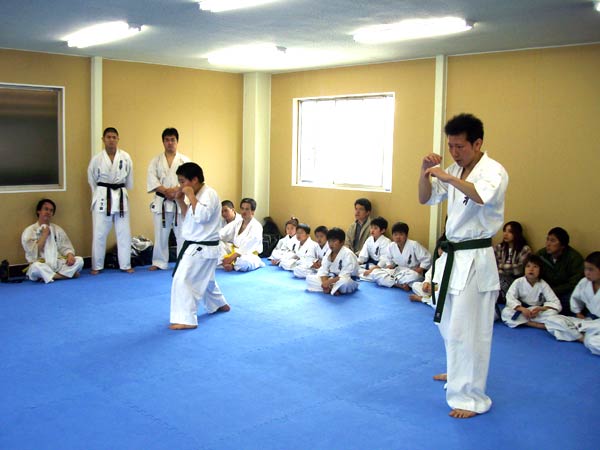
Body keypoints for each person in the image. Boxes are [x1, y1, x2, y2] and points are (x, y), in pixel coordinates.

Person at [418, 113, 509, 419]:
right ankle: (457, 372)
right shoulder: (456, 169)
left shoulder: (493, 171)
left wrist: (448, 177)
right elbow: (425, 199)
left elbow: (480, 195)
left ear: (477, 143)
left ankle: (471, 398)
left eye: (460, 146)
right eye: (450, 146)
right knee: (447, 323)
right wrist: (424, 173)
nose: (454, 152)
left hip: (475, 257)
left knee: (469, 330)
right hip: (453, 256)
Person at [169, 162, 230, 330]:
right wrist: (181, 200)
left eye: (183, 181)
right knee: (207, 279)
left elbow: (202, 217)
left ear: (194, 180)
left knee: (183, 280)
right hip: (201, 247)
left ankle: (187, 319)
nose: (181, 185)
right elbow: (189, 217)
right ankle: (219, 304)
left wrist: (190, 196)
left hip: (201, 248)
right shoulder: (198, 195)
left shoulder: (208, 194)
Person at [87, 127, 134, 274]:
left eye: (114, 137)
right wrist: (99, 192)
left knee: (124, 232)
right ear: (103, 139)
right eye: (108, 137)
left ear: (118, 139)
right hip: (103, 195)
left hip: (120, 196)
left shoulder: (125, 157)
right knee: (99, 233)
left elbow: (129, 180)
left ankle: (126, 265)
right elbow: (92, 180)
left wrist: (122, 189)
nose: (111, 140)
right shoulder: (97, 159)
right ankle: (97, 266)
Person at [147, 128, 191, 271]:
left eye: (173, 140)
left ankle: (183, 262)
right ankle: (159, 262)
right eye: (167, 140)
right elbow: (152, 180)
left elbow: (189, 181)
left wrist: (176, 191)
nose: (170, 142)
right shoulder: (156, 161)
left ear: (177, 141)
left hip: (180, 201)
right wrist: (166, 191)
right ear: (163, 142)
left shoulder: (185, 160)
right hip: (162, 201)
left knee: (182, 233)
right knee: (160, 234)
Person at [544, 252, 600, 355]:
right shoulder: (584, 282)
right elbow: (575, 299)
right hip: (588, 321)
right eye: (585, 269)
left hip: (596, 325)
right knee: (551, 320)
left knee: (593, 342)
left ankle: (582, 336)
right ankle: (582, 337)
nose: (587, 273)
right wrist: (578, 313)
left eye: (591, 269)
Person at [21, 199, 84, 283]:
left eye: (51, 210)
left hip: (58, 263)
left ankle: (50, 276)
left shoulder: (57, 229)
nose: (48, 212)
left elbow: (66, 247)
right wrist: (44, 235)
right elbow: (32, 252)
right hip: (41, 263)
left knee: (79, 260)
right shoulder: (29, 231)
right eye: (46, 209)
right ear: (38, 211)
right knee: (35, 268)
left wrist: (70, 255)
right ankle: (64, 275)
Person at [500, 255, 561, 329]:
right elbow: (510, 298)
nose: (531, 269)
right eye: (528, 266)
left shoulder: (543, 284)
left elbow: (555, 302)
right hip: (522, 310)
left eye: (535, 267)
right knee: (506, 312)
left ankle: (523, 321)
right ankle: (533, 324)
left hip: (536, 312)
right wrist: (522, 309)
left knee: (552, 313)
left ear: (540, 270)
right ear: (524, 269)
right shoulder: (518, 282)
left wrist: (541, 309)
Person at [537, 227, 584, 315]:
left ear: (562, 245)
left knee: (570, 299)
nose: (548, 244)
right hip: (546, 289)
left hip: (564, 291)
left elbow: (574, 283)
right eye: (547, 239)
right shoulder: (541, 254)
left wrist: (554, 291)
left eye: (552, 241)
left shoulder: (574, 258)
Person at [370, 222, 431, 290]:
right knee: (374, 273)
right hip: (398, 271)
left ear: (406, 235)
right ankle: (400, 285)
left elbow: (427, 258)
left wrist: (420, 269)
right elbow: (388, 260)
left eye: (401, 234)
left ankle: (396, 283)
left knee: (414, 277)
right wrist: (389, 265)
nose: (398, 237)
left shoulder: (414, 245)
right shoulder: (391, 246)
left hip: (412, 272)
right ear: (392, 236)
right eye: (395, 234)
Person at [307, 227, 359, 296]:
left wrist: (328, 282)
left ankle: (332, 288)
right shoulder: (329, 252)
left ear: (342, 242)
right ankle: (332, 288)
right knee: (309, 278)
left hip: (346, 280)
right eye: (329, 241)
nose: (331, 244)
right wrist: (325, 283)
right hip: (331, 278)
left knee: (344, 282)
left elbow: (344, 275)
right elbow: (323, 270)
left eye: (334, 241)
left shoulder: (348, 254)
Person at [219, 198, 265, 272]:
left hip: (248, 254)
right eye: (242, 209)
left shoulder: (256, 226)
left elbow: (248, 245)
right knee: (218, 244)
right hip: (234, 250)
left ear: (253, 211)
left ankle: (232, 265)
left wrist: (231, 258)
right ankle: (229, 263)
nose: (244, 212)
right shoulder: (237, 222)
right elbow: (223, 232)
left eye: (247, 209)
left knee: (244, 262)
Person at [495, 221, 531, 300]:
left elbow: (519, 269)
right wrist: (505, 268)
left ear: (517, 233)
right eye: (504, 231)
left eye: (510, 232)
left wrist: (501, 267)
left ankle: (503, 297)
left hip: (516, 280)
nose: (505, 234)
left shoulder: (525, 249)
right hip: (500, 279)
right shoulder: (499, 247)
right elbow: (495, 266)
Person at [357, 216, 391, 281]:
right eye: (371, 227)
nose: (372, 230)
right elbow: (363, 256)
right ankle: (366, 275)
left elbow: (384, 261)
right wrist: (357, 263)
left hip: (380, 267)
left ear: (383, 230)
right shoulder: (369, 239)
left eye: (375, 228)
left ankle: (368, 276)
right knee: (355, 268)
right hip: (371, 265)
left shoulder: (386, 242)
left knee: (376, 274)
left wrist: (370, 271)